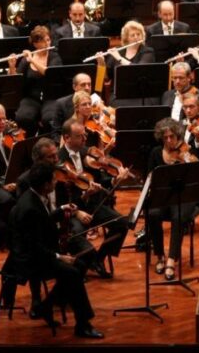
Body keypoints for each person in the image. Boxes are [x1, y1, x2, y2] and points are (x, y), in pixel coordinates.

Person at [7, 162, 104, 338]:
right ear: (46, 185)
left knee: (80, 266)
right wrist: (59, 256)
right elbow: (33, 246)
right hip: (30, 260)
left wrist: (61, 209)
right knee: (73, 273)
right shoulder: (30, 208)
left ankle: (46, 306)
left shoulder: (34, 196)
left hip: (39, 252)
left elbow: (42, 222)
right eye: (53, 180)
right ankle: (83, 324)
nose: (56, 182)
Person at [58, 118, 130, 278]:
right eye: (80, 136)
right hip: (73, 210)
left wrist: (114, 180)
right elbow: (59, 198)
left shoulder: (87, 153)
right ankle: (79, 267)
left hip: (92, 206)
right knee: (76, 232)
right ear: (67, 138)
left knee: (122, 223)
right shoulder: (58, 160)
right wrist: (81, 204)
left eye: (85, 135)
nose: (85, 139)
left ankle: (98, 259)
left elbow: (100, 179)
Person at [145, 118, 199, 281]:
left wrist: (185, 157)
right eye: (165, 138)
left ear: (178, 136)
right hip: (164, 196)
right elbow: (149, 175)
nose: (169, 140)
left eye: (172, 137)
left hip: (184, 197)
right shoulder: (156, 153)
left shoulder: (186, 150)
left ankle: (171, 259)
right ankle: (160, 256)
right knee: (153, 214)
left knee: (178, 217)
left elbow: (197, 171)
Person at [8, 26, 62, 135]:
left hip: (50, 97)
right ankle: (32, 136)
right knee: (22, 117)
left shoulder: (55, 56)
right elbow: (15, 80)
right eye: (43, 41)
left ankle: (47, 137)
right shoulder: (27, 59)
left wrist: (32, 60)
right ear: (35, 44)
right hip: (32, 98)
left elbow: (48, 72)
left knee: (49, 118)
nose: (47, 44)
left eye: (48, 40)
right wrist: (12, 66)